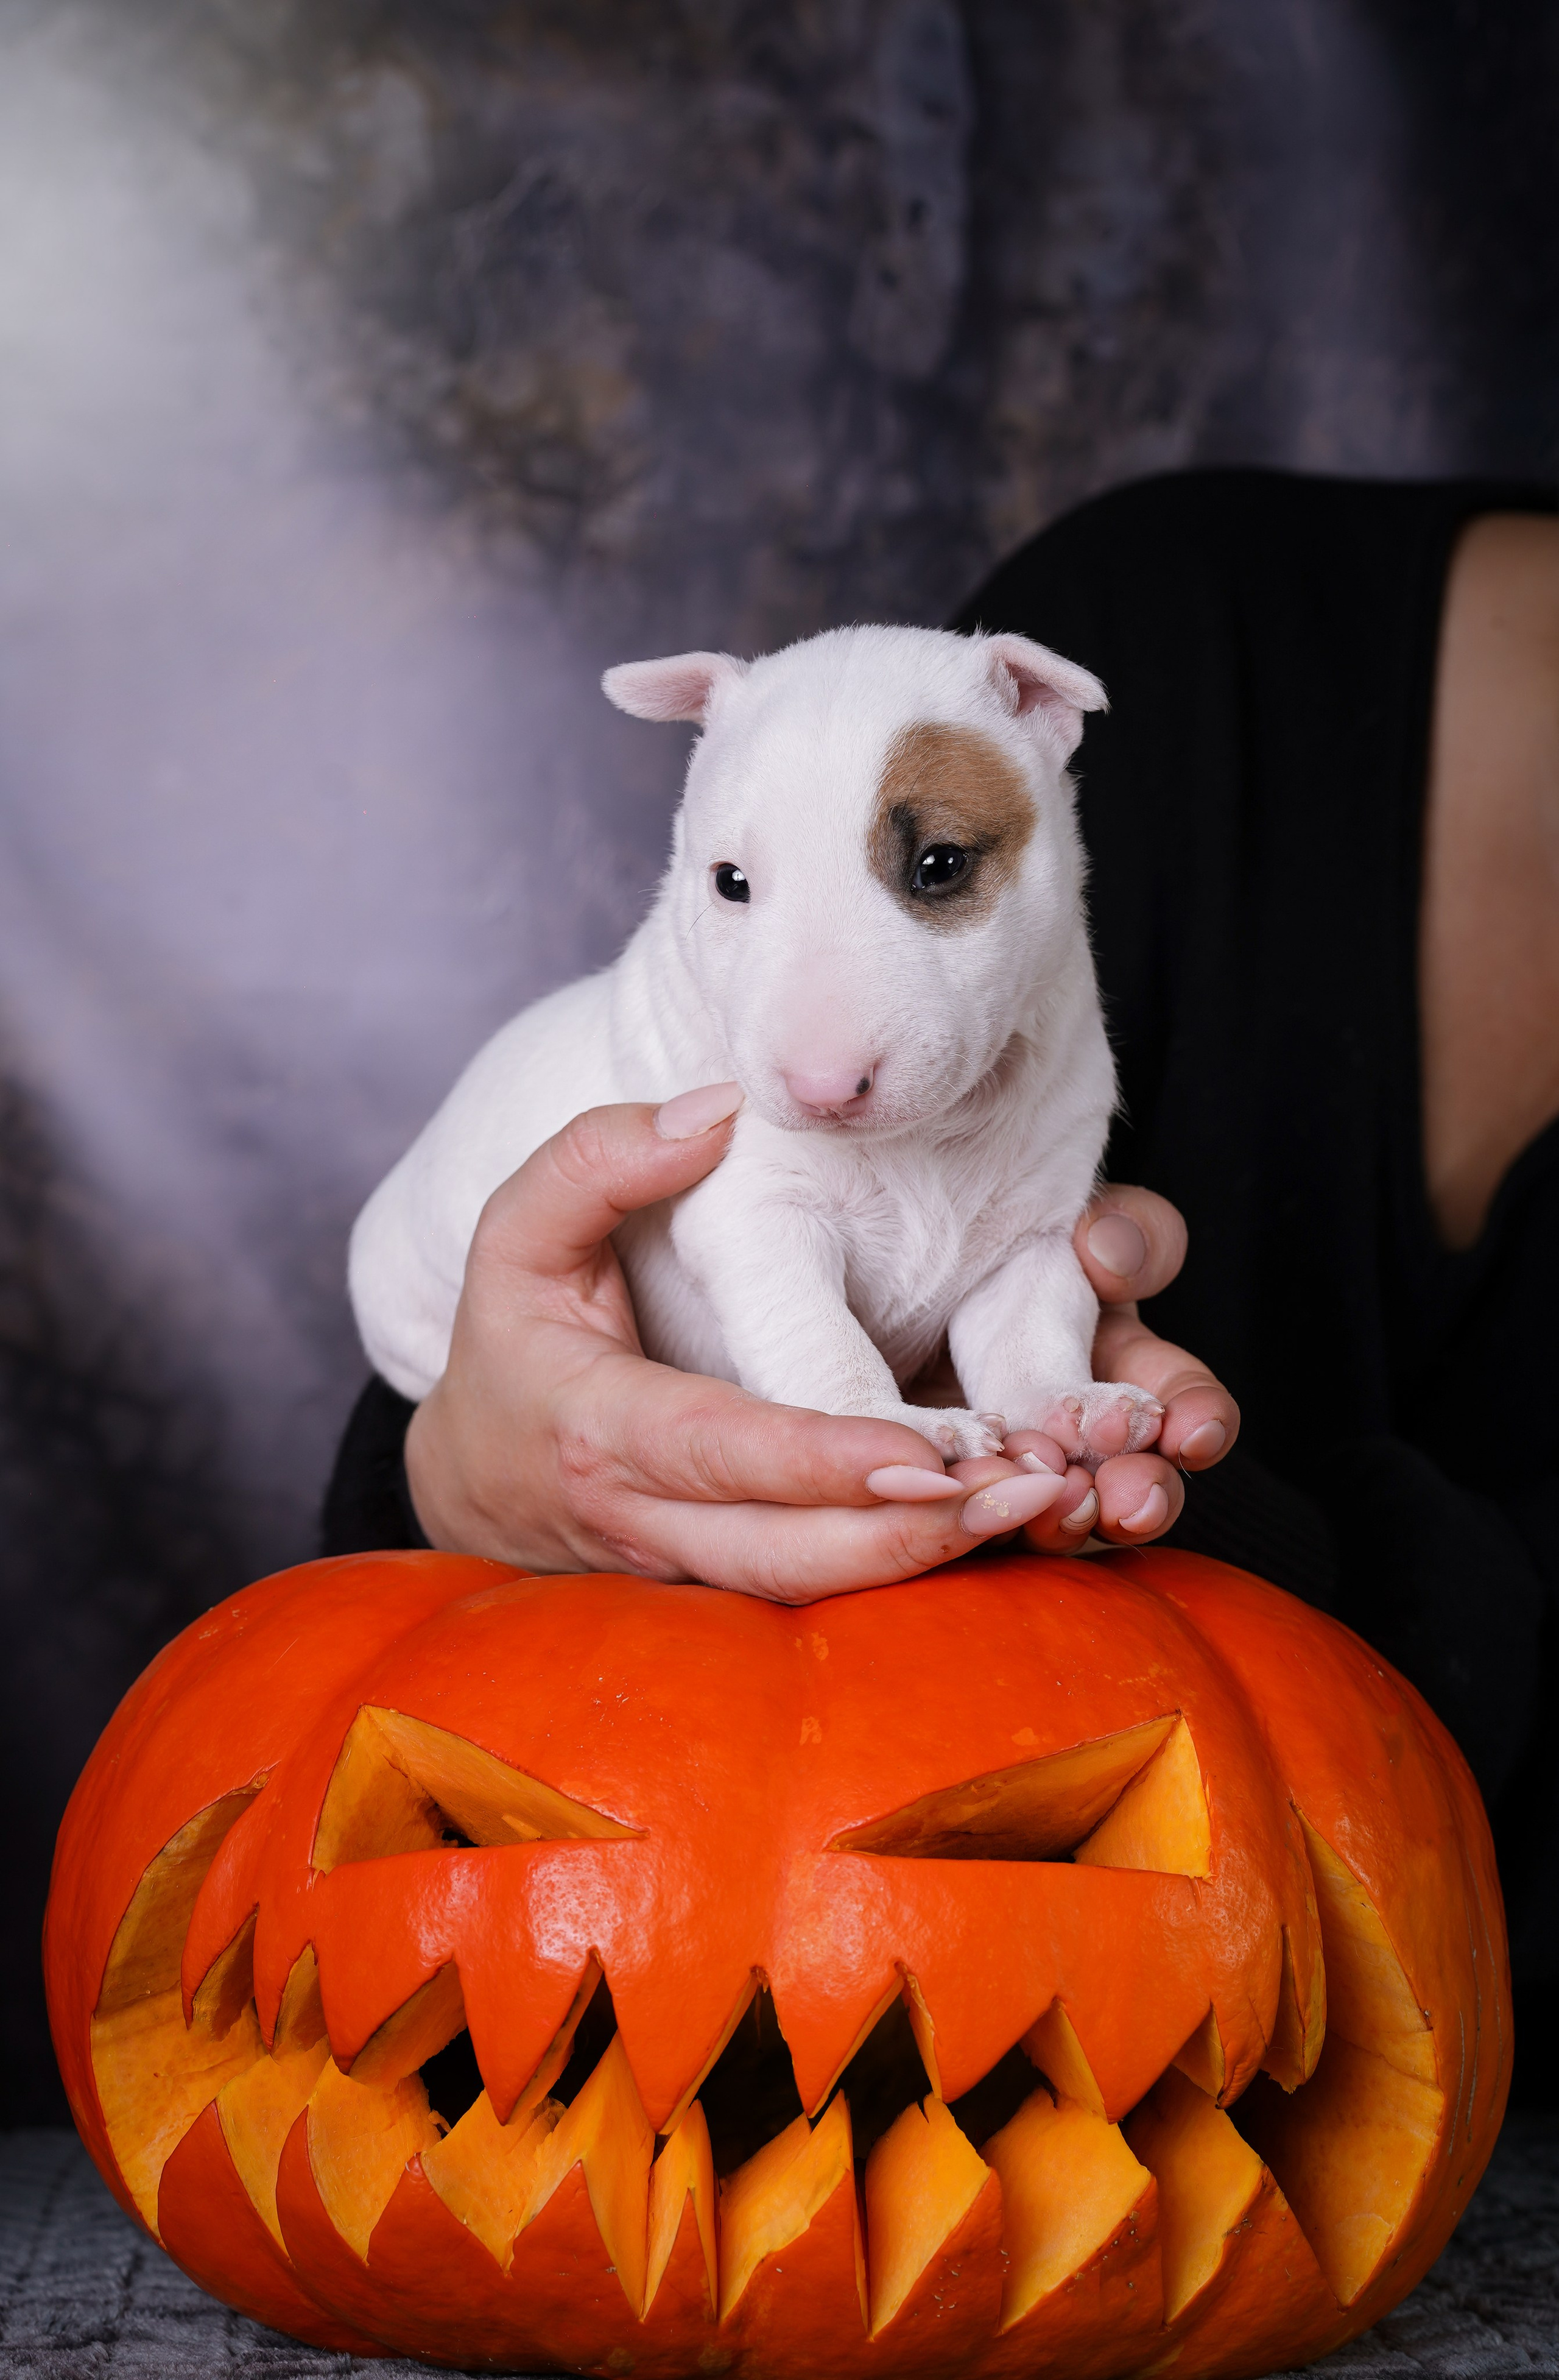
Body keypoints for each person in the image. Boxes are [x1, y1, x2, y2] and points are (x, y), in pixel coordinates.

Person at [325, 468, 1558, 2092]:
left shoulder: (1036, 855)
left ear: (1045, 741)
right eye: (739, 895)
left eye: (934, 878)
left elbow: (1023, 1245)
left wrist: (1060, 1417)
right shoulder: (1185, 622)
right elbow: (377, 1569)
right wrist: (472, 1452)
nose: (819, 1054)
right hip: (696, 1882)